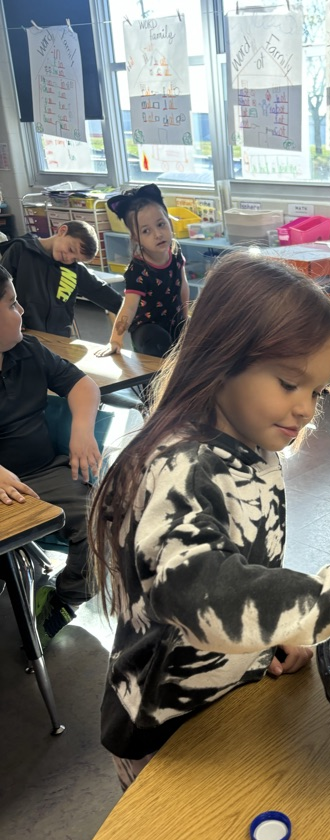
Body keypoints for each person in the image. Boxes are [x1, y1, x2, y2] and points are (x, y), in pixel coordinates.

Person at [89, 250, 330, 790]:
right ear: (221, 357)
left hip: (226, 700)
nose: (306, 408)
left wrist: (266, 643)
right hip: (166, 734)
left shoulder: (251, 444)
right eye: (289, 383)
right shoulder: (181, 465)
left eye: (317, 391)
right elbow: (206, 594)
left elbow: (243, 566)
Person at [0, 265, 102, 646]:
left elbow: (83, 385)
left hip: (43, 473)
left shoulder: (27, 350)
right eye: (12, 304)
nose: (22, 310)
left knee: (103, 524)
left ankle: (63, 599)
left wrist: (81, 431)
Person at [96, 184, 189, 359]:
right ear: (135, 237)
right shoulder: (138, 269)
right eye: (146, 231)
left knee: (199, 338)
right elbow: (129, 307)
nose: (158, 234)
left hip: (173, 319)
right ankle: (154, 384)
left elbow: (183, 286)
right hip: (147, 329)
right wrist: (115, 341)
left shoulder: (175, 252)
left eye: (161, 224)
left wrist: (185, 318)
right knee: (158, 342)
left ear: (169, 222)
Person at [0, 221, 122, 337]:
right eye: (71, 249)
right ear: (62, 231)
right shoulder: (20, 250)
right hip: (23, 333)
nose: (69, 258)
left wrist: (131, 309)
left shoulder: (74, 269)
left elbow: (101, 292)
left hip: (58, 337)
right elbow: (2, 290)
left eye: (75, 259)